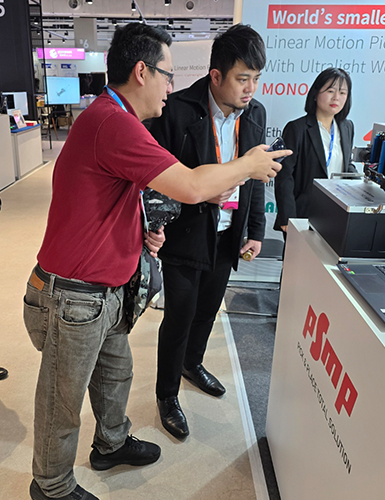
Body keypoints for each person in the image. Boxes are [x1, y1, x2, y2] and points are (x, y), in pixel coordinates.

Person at [24, 23, 288, 500]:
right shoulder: (114, 123)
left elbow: (126, 191)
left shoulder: (115, 117)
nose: (171, 86)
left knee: (116, 374)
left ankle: (111, 442)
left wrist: (141, 228)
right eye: (167, 75)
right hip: (74, 294)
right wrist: (248, 165)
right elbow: (190, 185)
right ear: (142, 72)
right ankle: (51, 485)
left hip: (106, 288)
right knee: (62, 398)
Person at [148, 24, 267, 439]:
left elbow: (256, 177)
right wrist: (199, 192)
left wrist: (255, 229)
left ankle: (192, 363)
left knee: (208, 310)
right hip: (185, 234)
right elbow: (156, 180)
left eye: (255, 79)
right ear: (216, 75)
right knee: (178, 317)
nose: (250, 89)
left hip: (228, 233)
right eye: (242, 78)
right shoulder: (177, 110)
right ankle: (166, 394)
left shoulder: (256, 113)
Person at [274, 68, 356, 236]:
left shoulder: (347, 127)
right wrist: (287, 218)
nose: (336, 97)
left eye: (342, 93)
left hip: (337, 213)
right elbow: (284, 176)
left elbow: (346, 165)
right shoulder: (297, 128)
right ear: (315, 93)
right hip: (303, 214)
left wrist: (366, 186)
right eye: (330, 91)